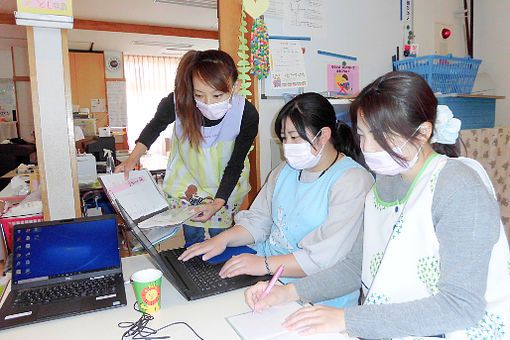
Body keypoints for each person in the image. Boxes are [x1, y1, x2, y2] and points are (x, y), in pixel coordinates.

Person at [245, 71, 510, 339]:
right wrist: (287, 293)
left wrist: (347, 319)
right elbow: (355, 266)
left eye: (381, 135)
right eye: (363, 135)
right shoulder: (382, 186)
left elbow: (460, 307)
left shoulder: (459, 188)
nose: (368, 148)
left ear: (423, 132)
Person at [179, 92, 374, 308]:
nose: (286, 145)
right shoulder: (285, 170)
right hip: (267, 278)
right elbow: (258, 220)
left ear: (324, 135)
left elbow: (324, 258)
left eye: (294, 137)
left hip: (315, 297)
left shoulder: (352, 181)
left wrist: (264, 265)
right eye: (283, 137)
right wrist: (222, 239)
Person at [115, 50, 259, 243]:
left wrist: (217, 203)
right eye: (199, 95)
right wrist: (132, 160)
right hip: (188, 184)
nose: (208, 103)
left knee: (220, 238)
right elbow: (155, 127)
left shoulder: (246, 114)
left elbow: (236, 163)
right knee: (193, 236)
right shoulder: (179, 102)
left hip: (226, 184)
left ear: (235, 86)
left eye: (218, 95)